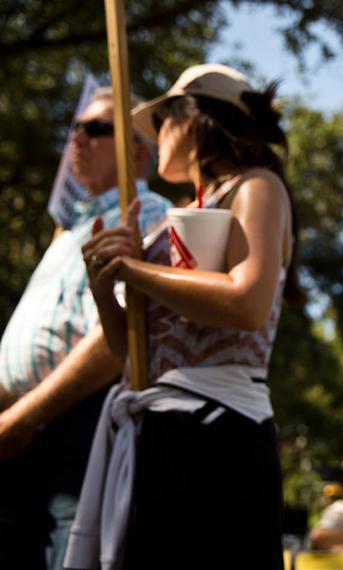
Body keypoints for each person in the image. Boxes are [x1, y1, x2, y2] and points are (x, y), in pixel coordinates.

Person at [67, 64, 302, 569]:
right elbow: (127, 349)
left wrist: (132, 270)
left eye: (163, 120)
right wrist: (106, 285)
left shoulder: (256, 187)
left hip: (218, 435)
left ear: (191, 120)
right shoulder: (183, 210)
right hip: (153, 433)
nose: (154, 139)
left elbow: (247, 302)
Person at [0, 88, 171, 570]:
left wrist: (20, 418)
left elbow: (114, 340)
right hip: (21, 434)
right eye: (76, 127)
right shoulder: (69, 232)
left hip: (78, 427)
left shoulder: (147, 213)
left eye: (95, 128)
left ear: (137, 150)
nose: (78, 136)